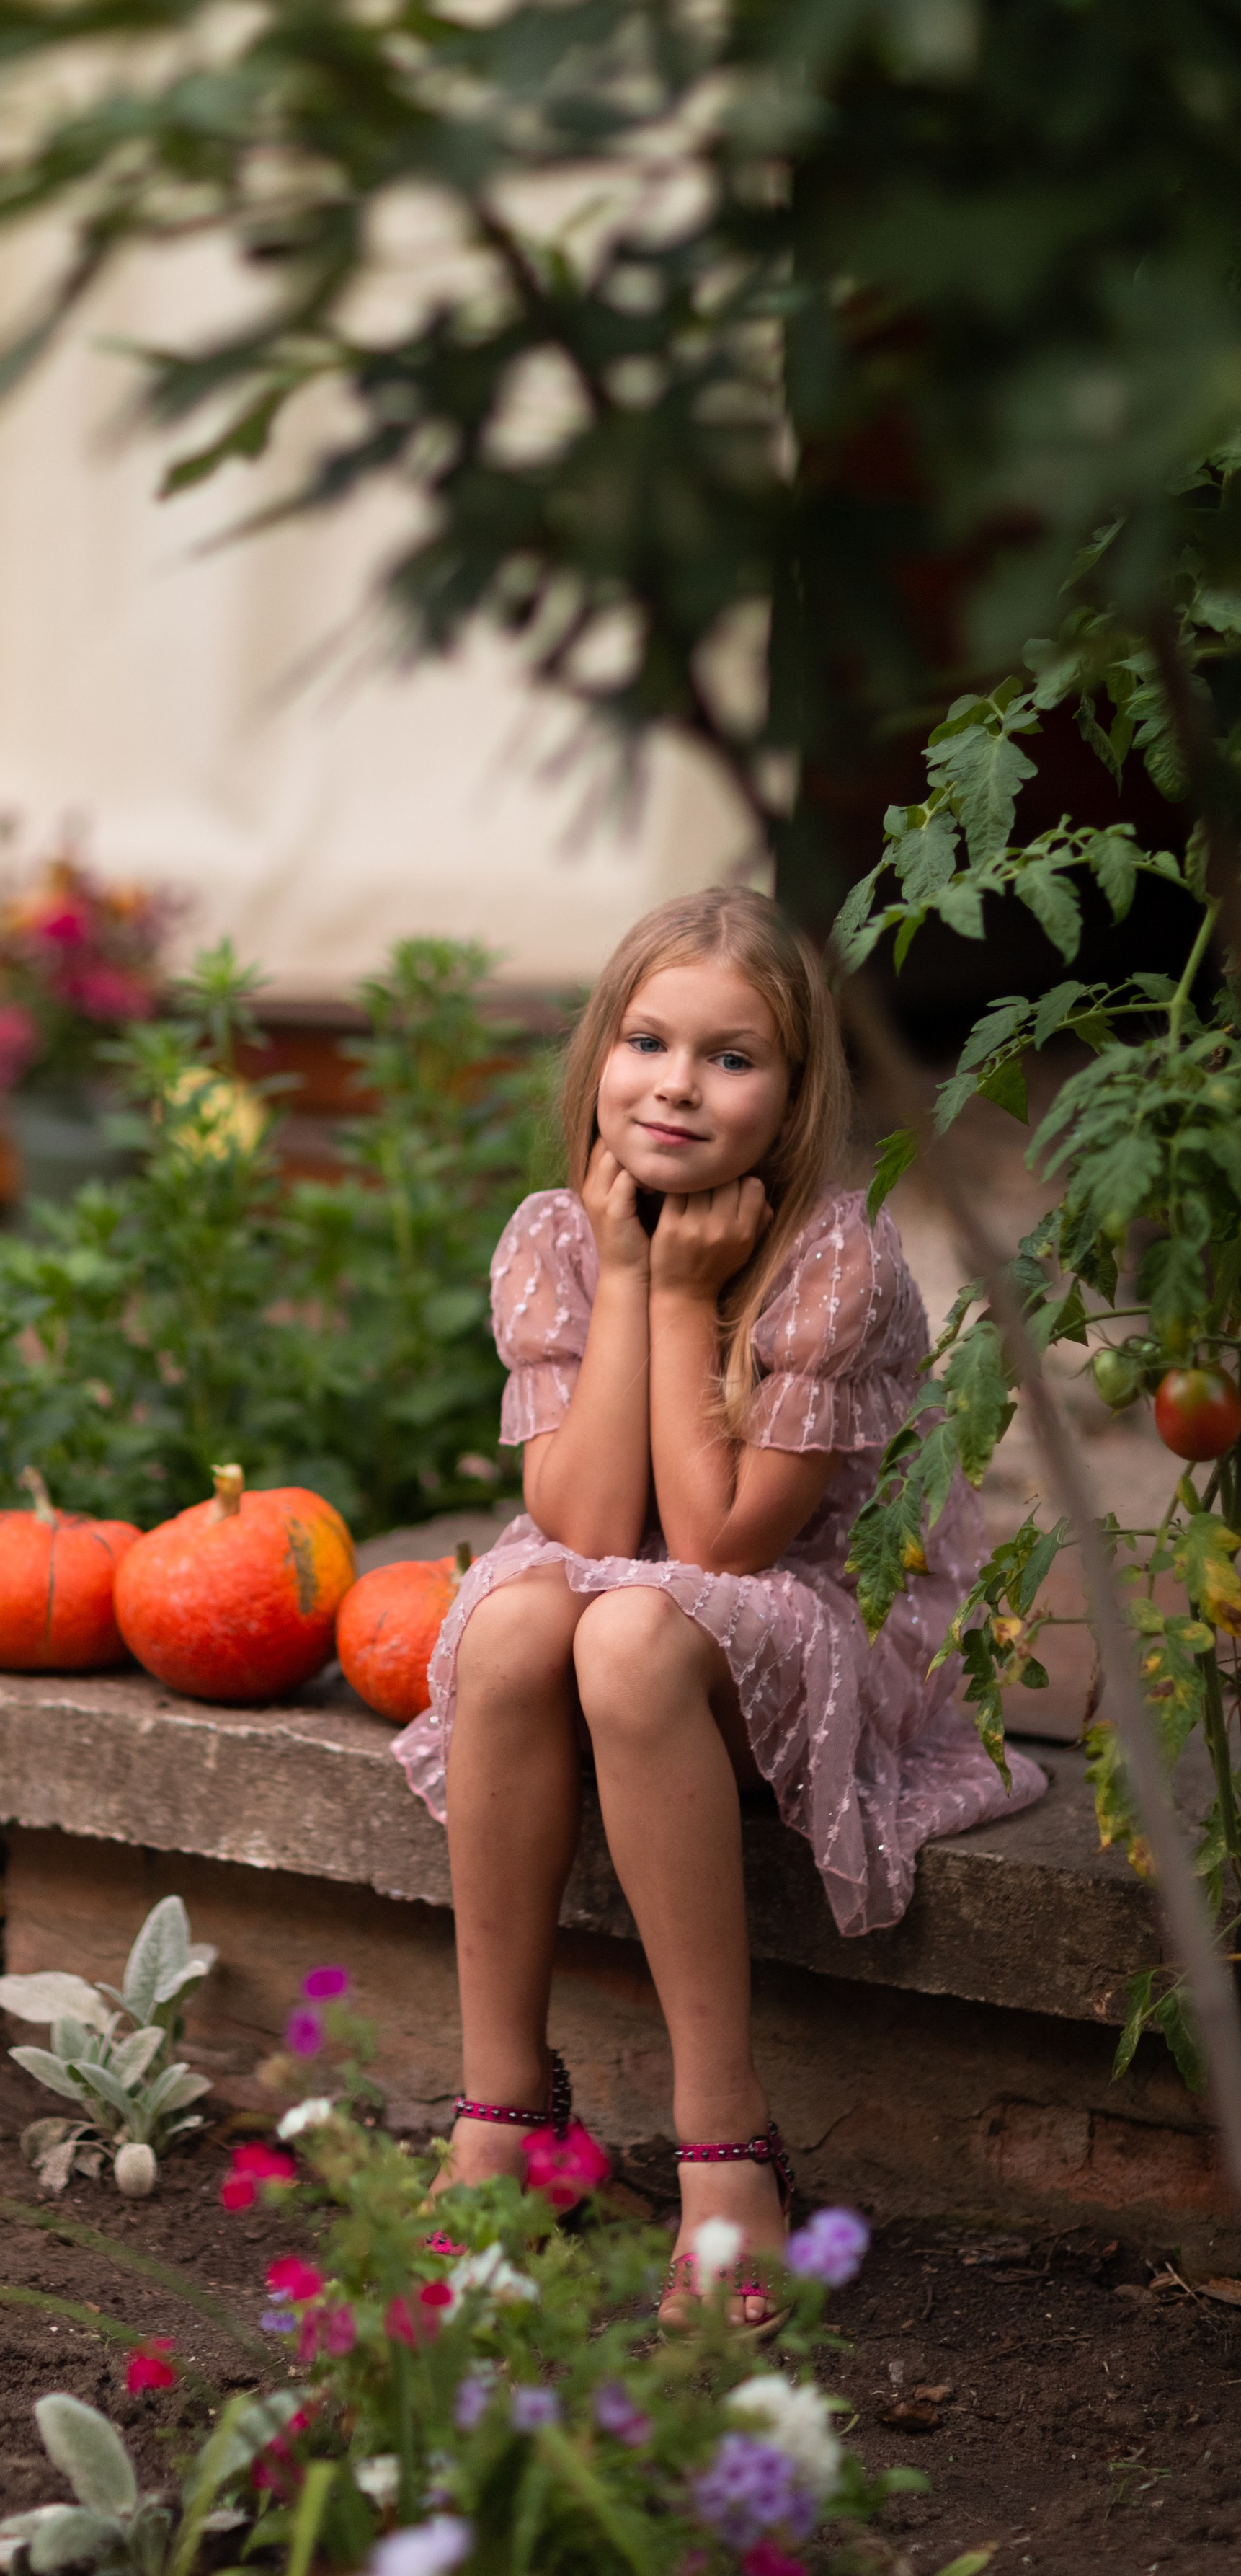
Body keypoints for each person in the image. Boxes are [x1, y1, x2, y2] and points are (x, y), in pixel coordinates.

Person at [390, 886, 1046, 2324]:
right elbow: (580, 1520)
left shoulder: (833, 1255)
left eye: (729, 1056)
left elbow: (716, 1541)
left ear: (794, 1092)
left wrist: (680, 1295)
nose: (676, 1084)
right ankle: (501, 2115)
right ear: (598, 1058)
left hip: (821, 1607)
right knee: (510, 1618)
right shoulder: (562, 1234)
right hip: (649, 1577)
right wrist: (626, 1268)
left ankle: (723, 2147)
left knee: (623, 1632)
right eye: (646, 1041)